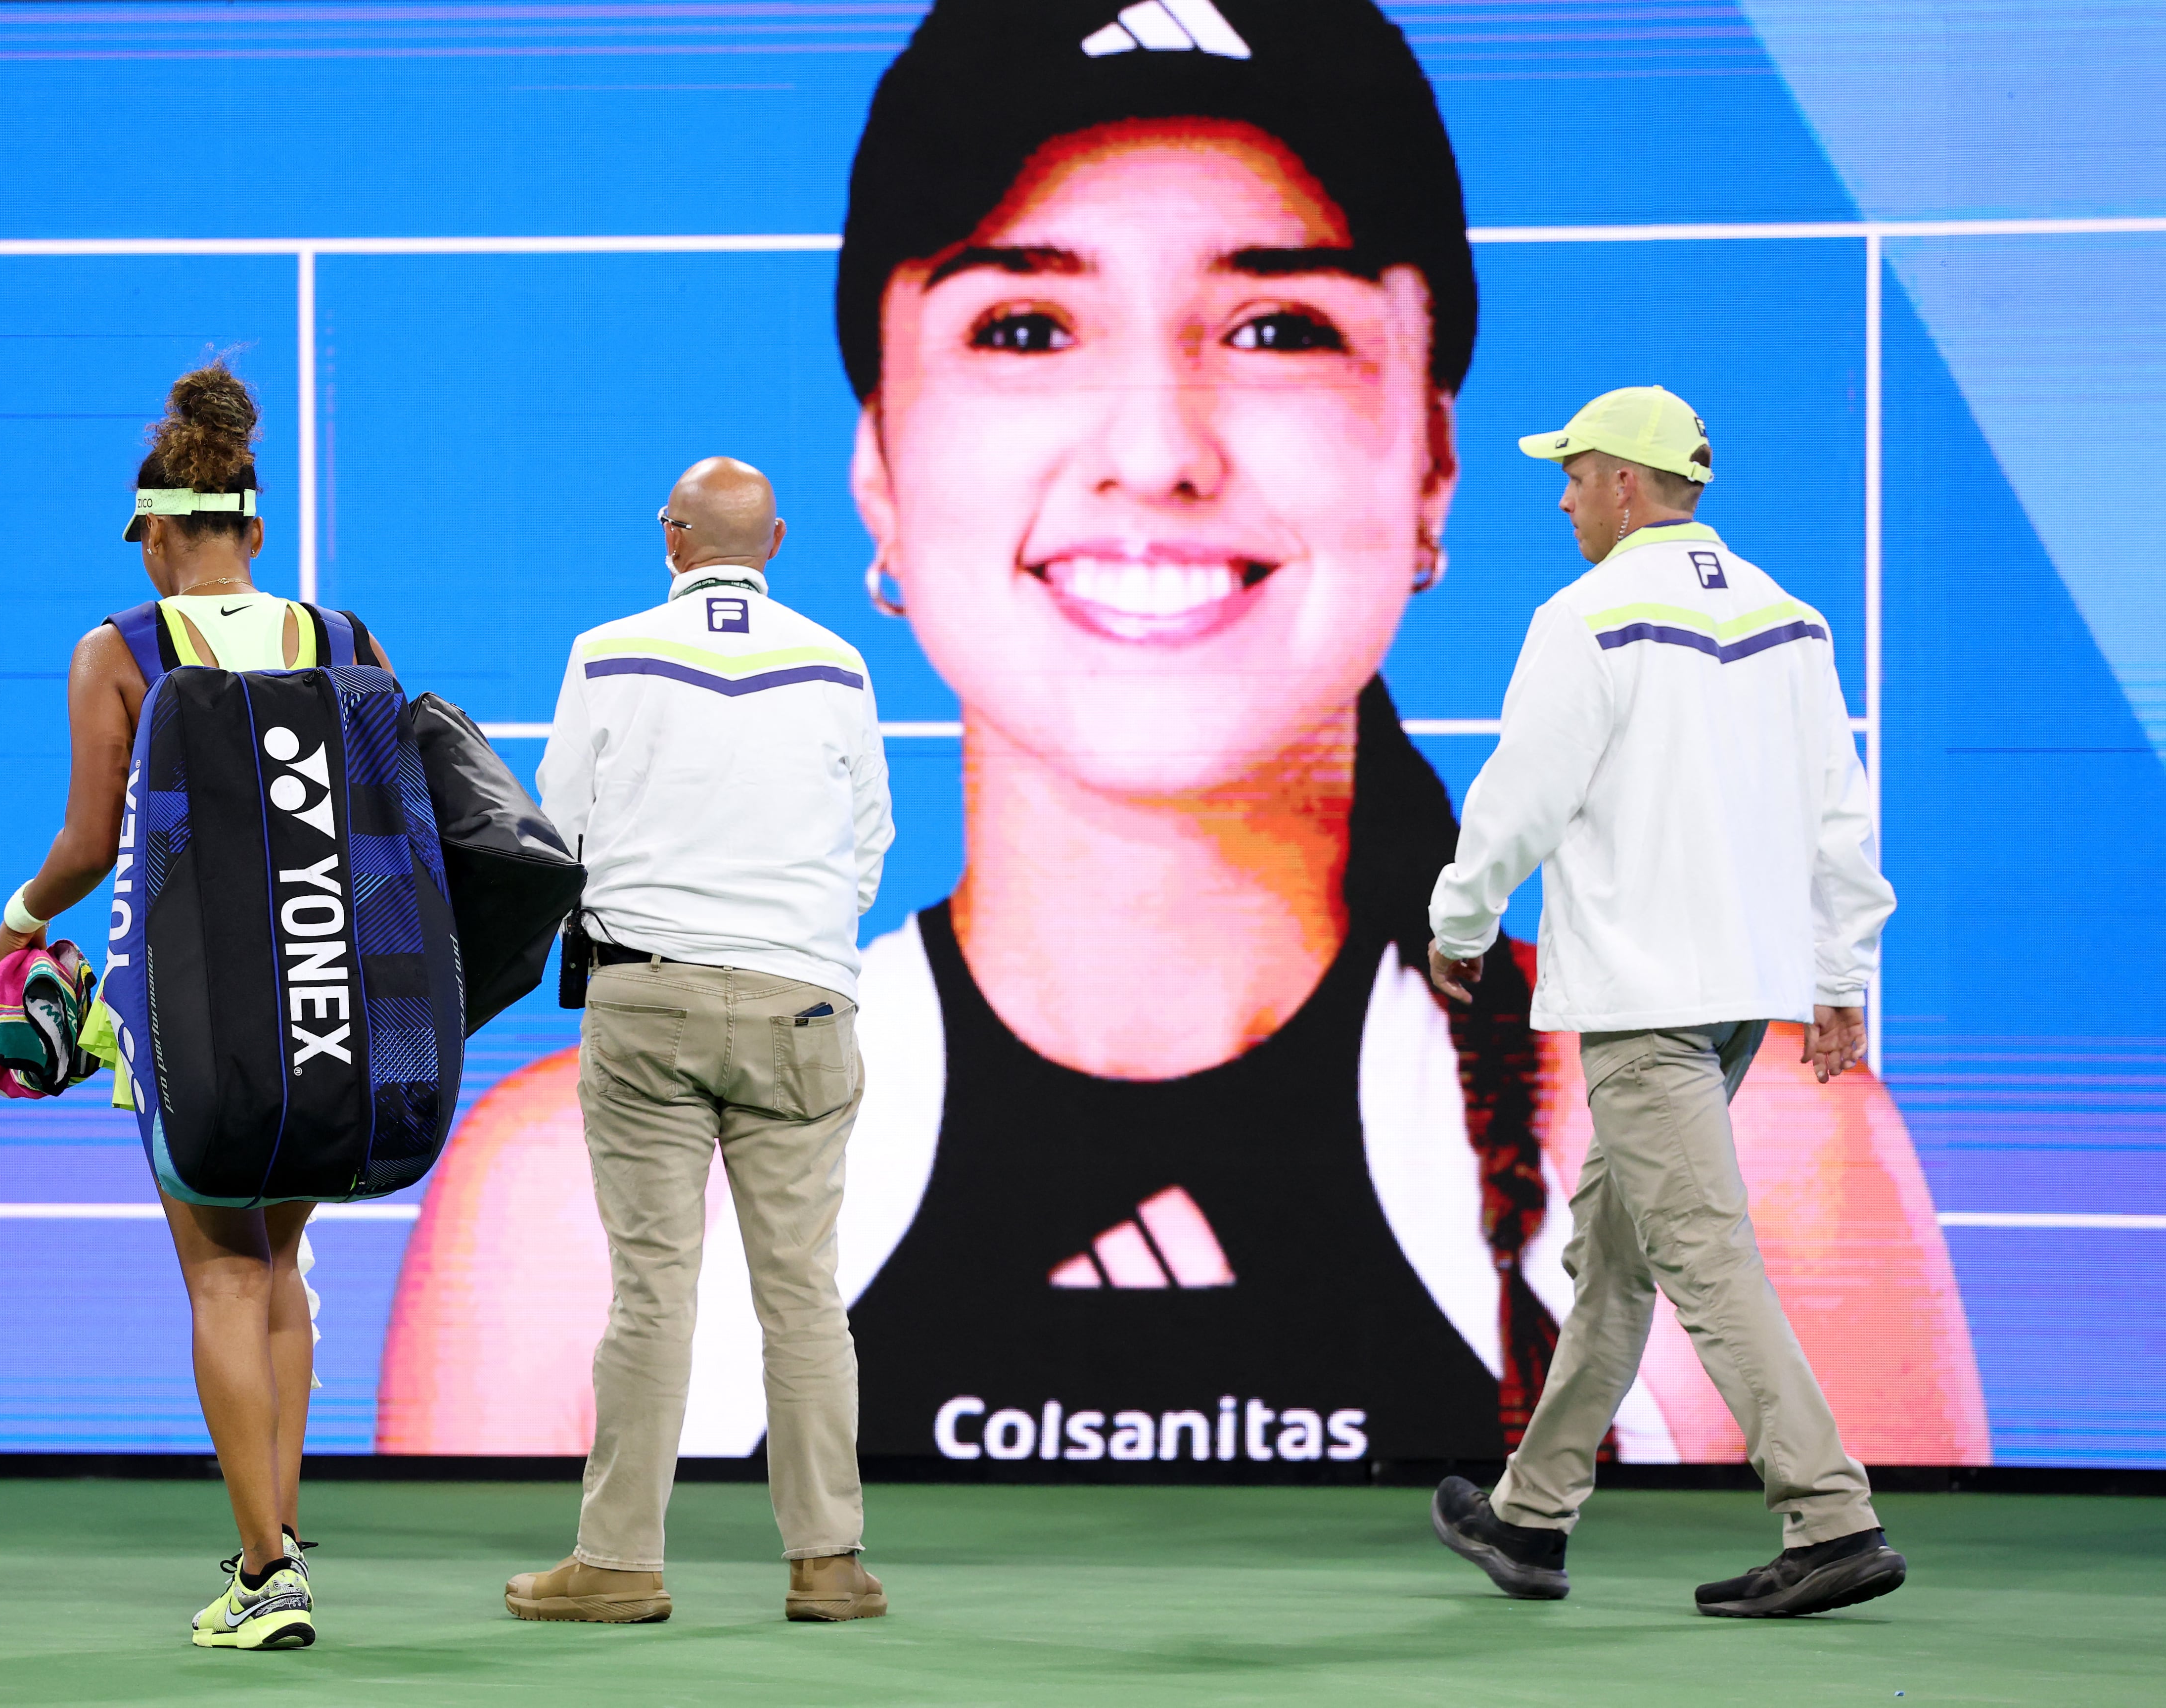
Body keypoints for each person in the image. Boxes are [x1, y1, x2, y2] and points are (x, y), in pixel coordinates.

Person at [380, 0, 1982, 1472]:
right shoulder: (567, 1203)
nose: (1156, 449)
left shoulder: (1760, 1154)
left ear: (1430, 458)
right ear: (877, 464)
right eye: (1025, 326)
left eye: (1278, 326)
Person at [1427, 385, 1909, 1618]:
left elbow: (1519, 795)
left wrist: (1461, 922)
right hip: (1743, 994)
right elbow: (1839, 814)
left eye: (1576, 474)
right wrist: (1840, 972)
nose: (1562, 494)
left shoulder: (1585, 616)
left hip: (1642, 1003)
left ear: (1629, 485)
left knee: (1692, 1250)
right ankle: (1532, 1514)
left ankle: (1829, 1513)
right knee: (1618, 1257)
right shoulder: (1791, 621)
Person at [0, 362, 393, 1650]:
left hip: (188, 1018)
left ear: (160, 531)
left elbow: (88, 844)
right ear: (254, 528)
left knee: (222, 1278)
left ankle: (268, 1574)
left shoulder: (118, 648)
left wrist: (15, 922)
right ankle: (274, 1551)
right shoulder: (342, 640)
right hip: (327, 1006)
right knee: (282, 1268)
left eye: (149, 538)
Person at [496, 457, 894, 1626]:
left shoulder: (604, 652)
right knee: (805, 1296)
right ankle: (828, 1563)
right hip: (802, 1004)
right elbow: (867, 841)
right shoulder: (839, 661)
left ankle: (618, 1563)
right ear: (773, 540)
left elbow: (552, 830)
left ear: (670, 536)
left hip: (646, 1000)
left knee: (652, 1292)